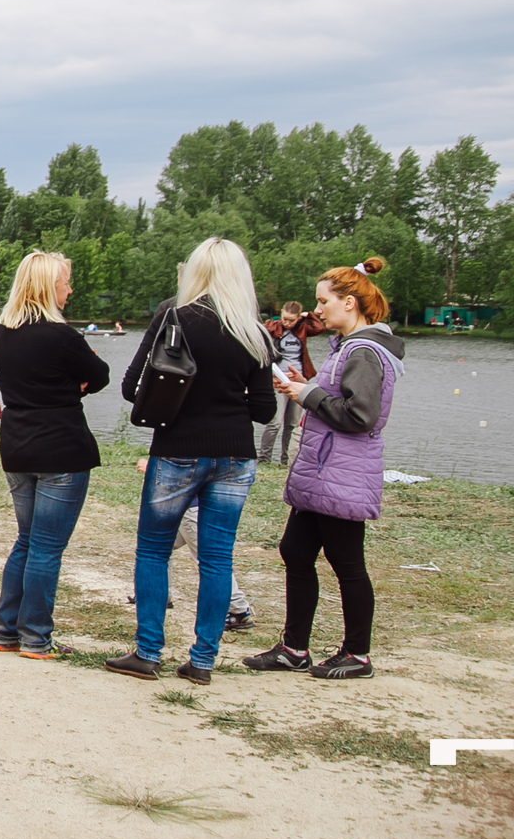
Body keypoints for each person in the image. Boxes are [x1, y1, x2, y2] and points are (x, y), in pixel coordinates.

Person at [106, 238, 276, 686]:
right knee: (217, 558)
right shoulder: (254, 331)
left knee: (153, 549)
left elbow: (131, 387)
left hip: (178, 448)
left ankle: (148, 652)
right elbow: (265, 410)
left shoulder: (174, 319)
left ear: (195, 272)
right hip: (235, 454)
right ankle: (202, 660)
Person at [245, 257, 403, 681]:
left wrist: (307, 395)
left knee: (347, 562)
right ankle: (294, 649)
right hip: (323, 470)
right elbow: (336, 397)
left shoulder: (365, 351)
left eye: (323, 301)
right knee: (295, 551)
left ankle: (358, 655)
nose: (317, 310)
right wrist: (304, 385)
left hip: (343, 472)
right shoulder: (348, 346)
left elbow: (361, 416)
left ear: (349, 302)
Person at [0, 251, 110, 660]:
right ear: (46, 287)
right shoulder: (63, 336)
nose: (69, 290)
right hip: (60, 446)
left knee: (26, 541)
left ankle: (5, 629)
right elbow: (101, 375)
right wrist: (75, 384)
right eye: (64, 283)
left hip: (17, 443)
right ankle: (36, 637)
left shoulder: (4, 332)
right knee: (46, 547)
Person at [129, 454, 253, 628]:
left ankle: (238, 609)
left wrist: (153, 468)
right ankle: (158, 594)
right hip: (193, 506)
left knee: (211, 560)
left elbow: (190, 465)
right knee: (162, 549)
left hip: (192, 508)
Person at [258, 301, 325, 466]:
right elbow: (260, 332)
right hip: (278, 379)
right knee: (276, 422)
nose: (287, 323)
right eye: (285, 319)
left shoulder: (303, 329)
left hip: (298, 379)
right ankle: (264, 458)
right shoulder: (274, 327)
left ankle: (286, 460)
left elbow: (319, 328)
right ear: (281, 314)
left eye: (292, 320)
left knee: (293, 423)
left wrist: (309, 315)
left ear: (298, 318)